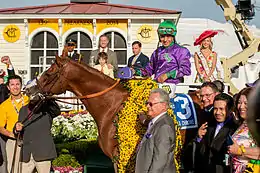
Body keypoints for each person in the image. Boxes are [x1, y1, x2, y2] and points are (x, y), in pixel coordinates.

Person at [135, 88, 176, 173]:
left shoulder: (164, 127)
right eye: (147, 103)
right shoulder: (157, 121)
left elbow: (160, 160)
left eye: (151, 104)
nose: (147, 106)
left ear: (163, 105)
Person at [14, 98, 60, 173]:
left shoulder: (46, 108)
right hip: (26, 154)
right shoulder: (23, 109)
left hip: (43, 153)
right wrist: (16, 128)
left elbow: (57, 111)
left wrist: (49, 99)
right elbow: (19, 125)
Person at [195, 93, 238, 173]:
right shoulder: (208, 125)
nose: (217, 112)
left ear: (230, 109)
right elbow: (201, 152)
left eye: (221, 109)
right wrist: (199, 138)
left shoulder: (235, 128)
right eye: (215, 109)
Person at [142, 20, 191, 86]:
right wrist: (136, 71)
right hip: (157, 87)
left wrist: (168, 75)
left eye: (168, 36)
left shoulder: (181, 51)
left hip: (174, 87)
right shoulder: (157, 52)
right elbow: (149, 69)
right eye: (162, 37)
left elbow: (186, 70)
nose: (165, 40)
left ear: (173, 37)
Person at [0, 75, 29, 172]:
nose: (15, 87)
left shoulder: (29, 100)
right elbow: (0, 127)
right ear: (8, 87)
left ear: (21, 86)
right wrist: (12, 135)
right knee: (14, 170)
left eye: (17, 84)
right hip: (13, 142)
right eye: (12, 84)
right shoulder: (4, 105)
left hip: (30, 140)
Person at [228, 87, 260, 173]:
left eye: (246, 103)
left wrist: (240, 150)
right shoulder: (242, 124)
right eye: (239, 103)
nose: (241, 106)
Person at [0, 56, 15, 172]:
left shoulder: (3, 89)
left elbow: (12, 81)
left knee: (4, 159)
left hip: (2, 129)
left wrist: (9, 65)